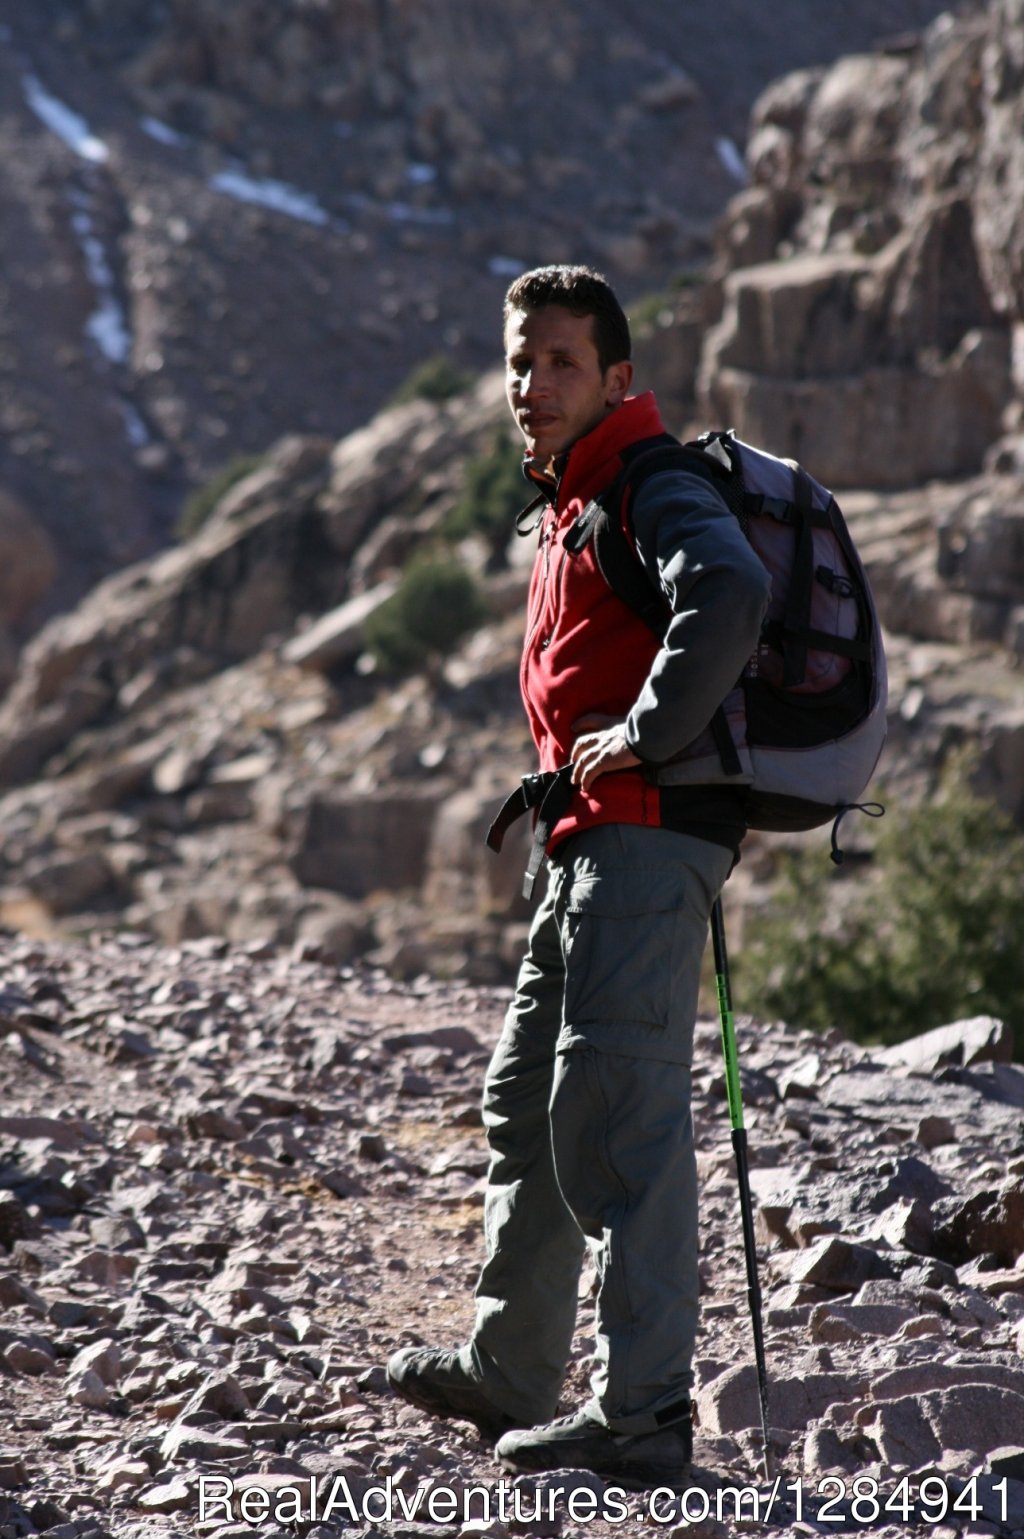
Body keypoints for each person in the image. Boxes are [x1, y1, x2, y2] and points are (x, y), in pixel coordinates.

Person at [386, 265, 771, 1484]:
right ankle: (512, 1370)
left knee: (618, 1117)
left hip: (647, 833)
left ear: (616, 378)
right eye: (517, 362)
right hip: (588, 837)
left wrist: (650, 733)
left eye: (559, 363)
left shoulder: (649, 483)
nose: (530, 385)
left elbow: (733, 587)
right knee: (529, 1104)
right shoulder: (579, 499)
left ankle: (644, 1416)